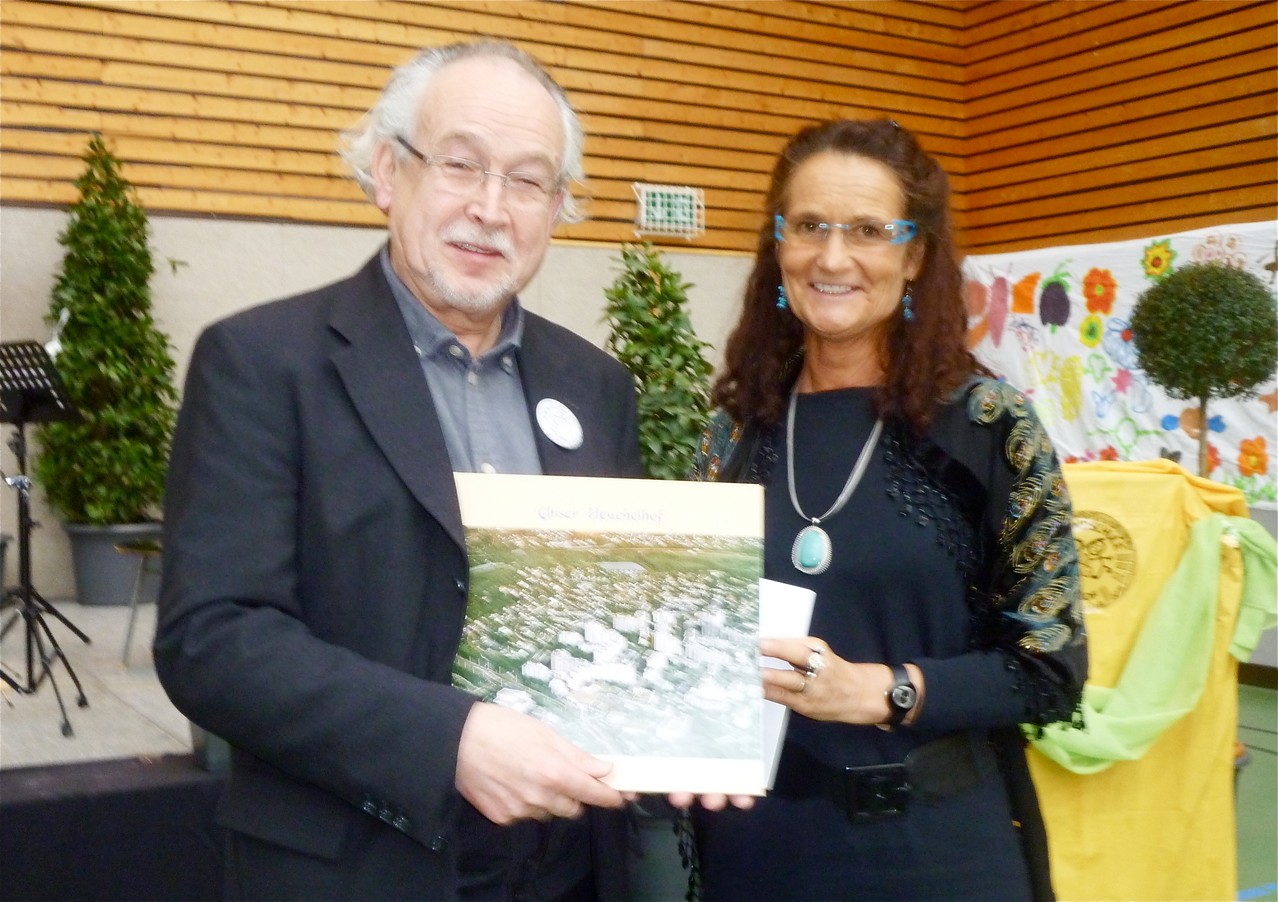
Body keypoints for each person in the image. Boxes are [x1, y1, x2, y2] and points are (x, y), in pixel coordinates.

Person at [154, 41, 647, 901]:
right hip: (353, 866)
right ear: (388, 173)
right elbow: (214, 638)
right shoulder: (262, 362)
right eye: (461, 164)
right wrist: (450, 739)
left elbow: (618, 606)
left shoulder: (595, 385)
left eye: (529, 180)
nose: (492, 208)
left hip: (563, 870)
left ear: (559, 208)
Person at [687, 118, 1088, 901]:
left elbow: (1052, 668)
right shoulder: (736, 428)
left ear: (914, 256)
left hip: (936, 851)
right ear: (779, 246)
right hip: (758, 849)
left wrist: (885, 691)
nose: (833, 257)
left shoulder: (987, 428)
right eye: (808, 227)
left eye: (868, 230)